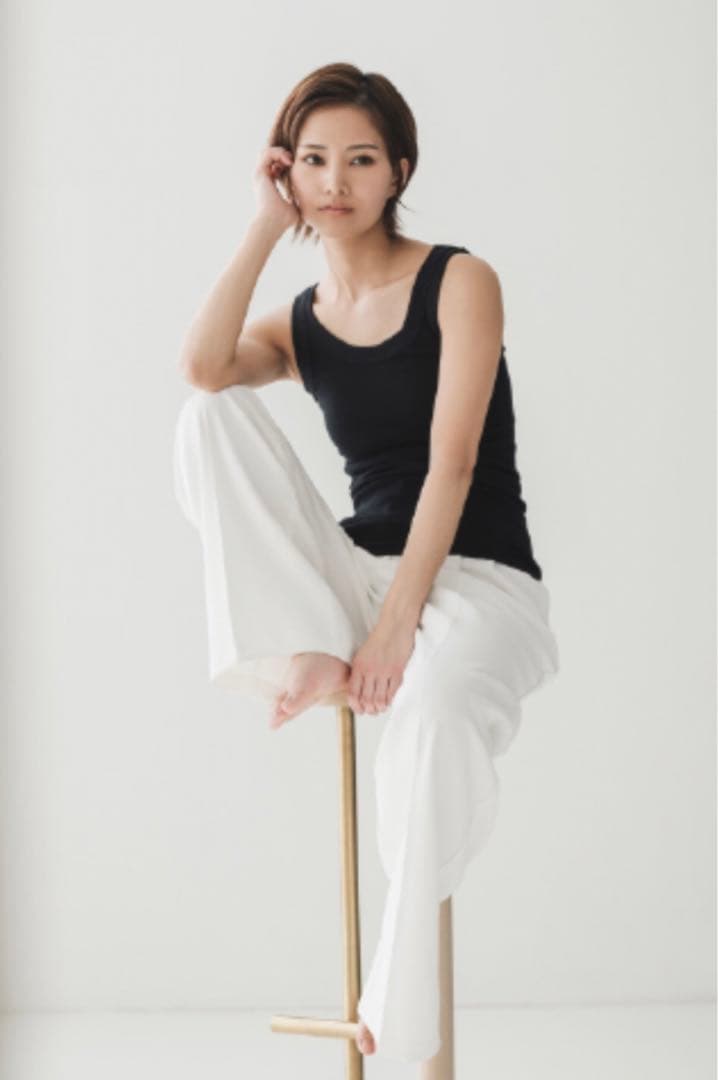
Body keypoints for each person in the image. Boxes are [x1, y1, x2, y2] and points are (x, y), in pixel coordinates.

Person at [172, 62, 560, 1065]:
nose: (334, 182)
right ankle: (307, 644)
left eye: (359, 160)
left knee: (432, 710)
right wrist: (263, 228)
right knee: (206, 417)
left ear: (399, 172)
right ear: (286, 173)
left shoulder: (459, 280)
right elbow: (204, 367)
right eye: (312, 162)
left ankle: (396, 999)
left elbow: (453, 463)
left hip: (476, 579)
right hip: (361, 572)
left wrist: (394, 633)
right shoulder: (301, 319)